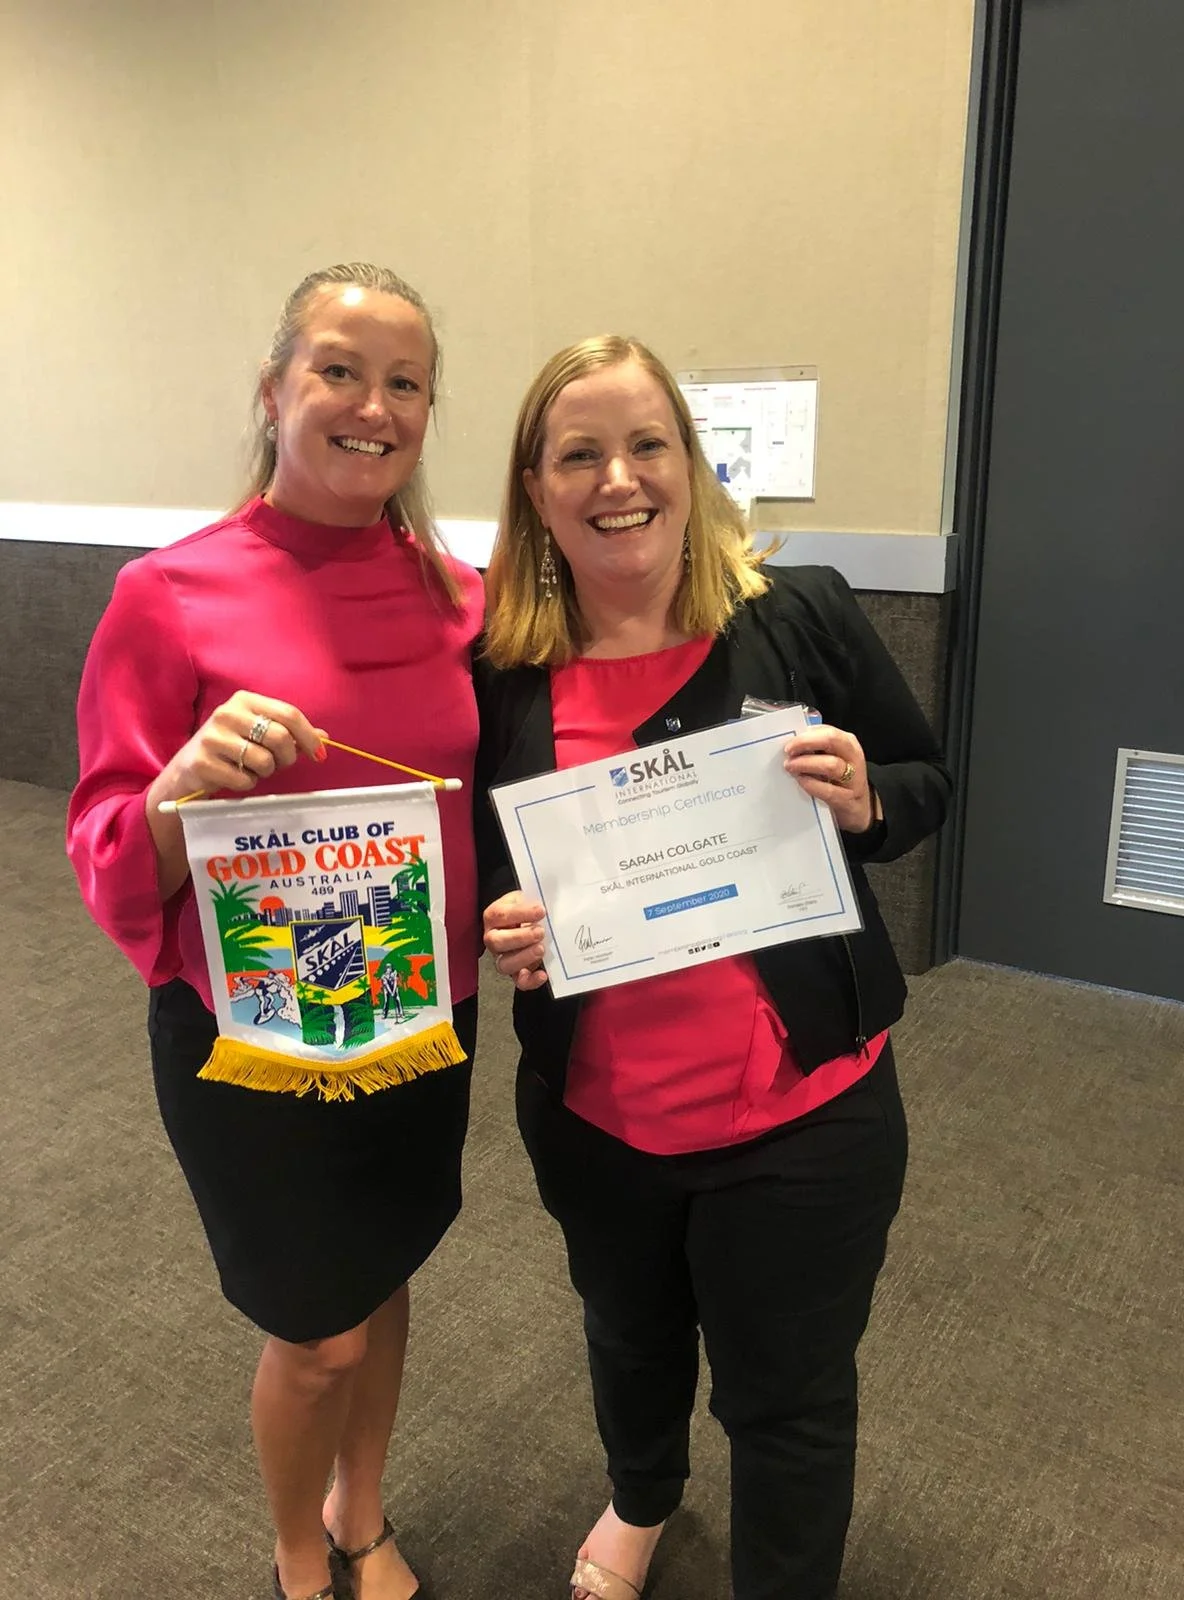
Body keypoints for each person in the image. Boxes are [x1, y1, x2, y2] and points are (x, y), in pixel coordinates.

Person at [476, 336, 951, 1600]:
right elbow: (486, 867)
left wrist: (864, 804)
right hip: (598, 1116)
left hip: (805, 1113)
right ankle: (641, 1497)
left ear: (690, 464)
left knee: (786, 1396)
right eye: (580, 453)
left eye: (647, 445)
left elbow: (924, 780)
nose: (618, 478)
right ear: (536, 487)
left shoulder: (799, 614)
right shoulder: (501, 668)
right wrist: (502, 920)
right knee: (627, 1338)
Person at [67, 264, 484, 1600]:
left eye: (404, 382)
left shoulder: (458, 597)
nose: (374, 405)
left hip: (420, 1006)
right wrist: (182, 783)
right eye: (339, 371)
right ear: (275, 389)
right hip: (249, 1030)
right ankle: (301, 1556)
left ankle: (364, 1513)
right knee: (317, 1336)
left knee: (387, 1267)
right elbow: (102, 839)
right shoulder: (169, 593)